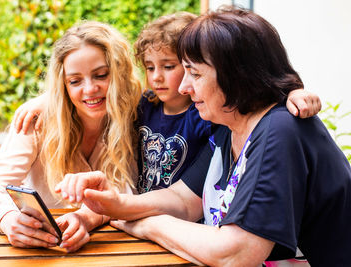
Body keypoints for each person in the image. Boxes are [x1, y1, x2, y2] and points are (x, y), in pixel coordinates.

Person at [53, 7, 351, 266]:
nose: (183, 87)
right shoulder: (229, 128)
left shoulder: (280, 130)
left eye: (194, 74)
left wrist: (147, 225)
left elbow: (236, 253)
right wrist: (114, 204)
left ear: (235, 75)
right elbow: (183, 199)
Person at [14, 12, 321, 195]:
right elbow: (103, 93)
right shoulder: (144, 106)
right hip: (145, 215)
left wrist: (290, 93)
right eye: (149, 67)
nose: (157, 78)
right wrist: (47, 99)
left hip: (189, 217)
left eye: (171, 67)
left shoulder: (206, 112)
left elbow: (253, 102)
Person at [0, 20, 141, 252]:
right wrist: (7, 220)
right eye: (75, 81)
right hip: (43, 248)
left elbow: (127, 190)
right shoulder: (37, 121)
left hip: (111, 249)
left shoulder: (135, 117)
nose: (89, 89)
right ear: (63, 85)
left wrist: (86, 218)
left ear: (118, 73)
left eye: (101, 75)